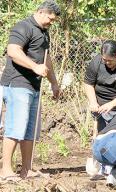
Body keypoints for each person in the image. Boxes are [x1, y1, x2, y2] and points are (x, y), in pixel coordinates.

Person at [0, 0, 60, 180]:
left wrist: (54, 82)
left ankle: (27, 169)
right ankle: (6, 170)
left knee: (30, 129)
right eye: (50, 18)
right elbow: (13, 50)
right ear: (41, 12)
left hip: (34, 86)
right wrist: (34, 67)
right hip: (18, 83)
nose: (51, 22)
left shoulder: (44, 33)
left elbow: (46, 59)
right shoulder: (24, 26)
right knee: (15, 127)